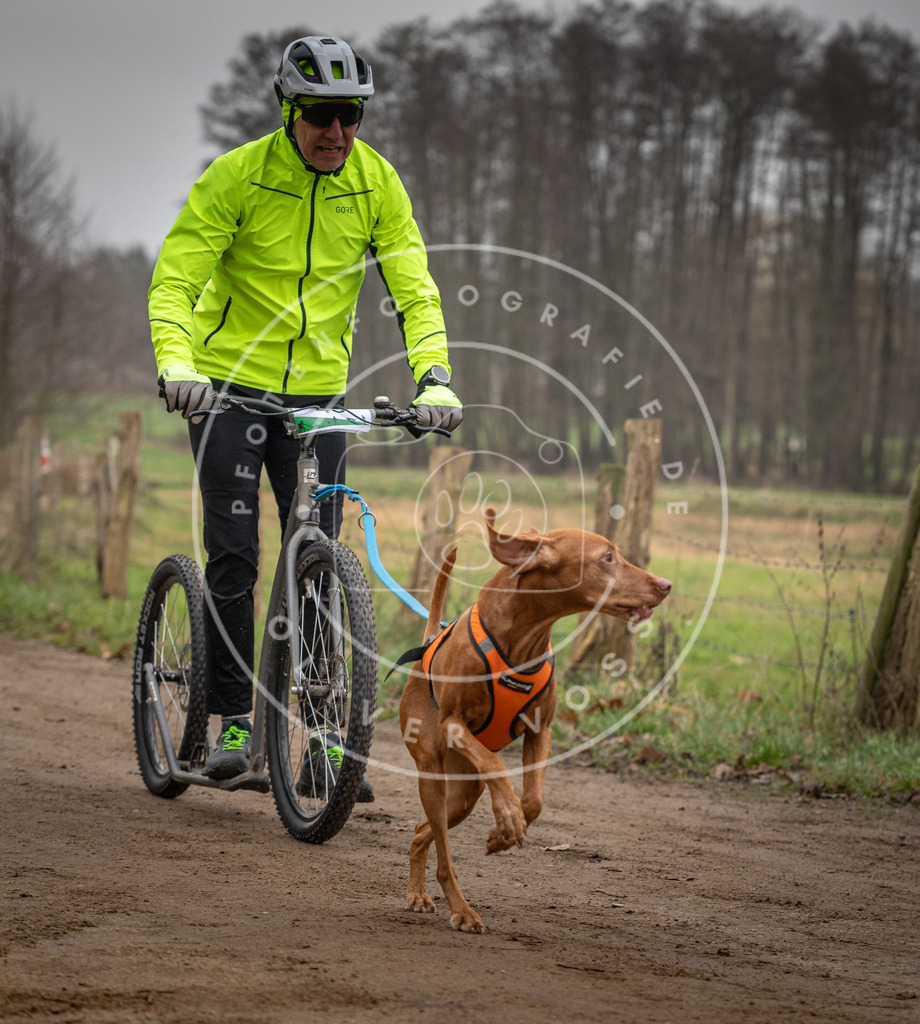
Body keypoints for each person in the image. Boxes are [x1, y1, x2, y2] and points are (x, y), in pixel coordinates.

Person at [148, 35, 461, 786]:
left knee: (317, 560)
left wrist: (436, 376)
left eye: (351, 115)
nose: (338, 132)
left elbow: (413, 286)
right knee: (237, 556)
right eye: (322, 114)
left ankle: (322, 731)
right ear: (290, 110)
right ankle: (232, 719)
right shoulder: (238, 177)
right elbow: (177, 280)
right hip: (226, 389)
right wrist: (177, 364)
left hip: (319, 397)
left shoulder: (376, 183)